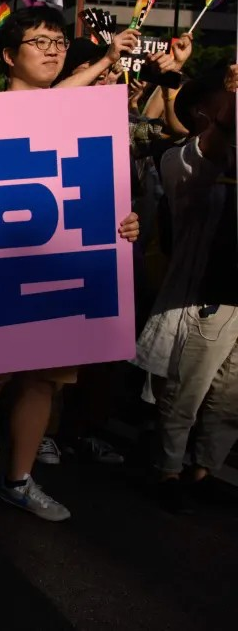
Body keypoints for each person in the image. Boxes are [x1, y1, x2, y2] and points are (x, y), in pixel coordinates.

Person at [0, 5, 141, 526]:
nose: (53, 51)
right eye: (40, 42)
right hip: (3, 263)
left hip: (59, 263)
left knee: (42, 378)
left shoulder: (78, 112)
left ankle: (18, 480)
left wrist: (120, 222)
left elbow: (99, 188)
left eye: (58, 41)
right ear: (10, 55)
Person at [135, 63, 238, 513]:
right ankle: (169, 471)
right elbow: (216, 144)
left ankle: (204, 470)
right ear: (203, 111)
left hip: (235, 296)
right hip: (203, 297)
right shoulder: (180, 158)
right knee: (187, 391)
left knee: (230, 396)